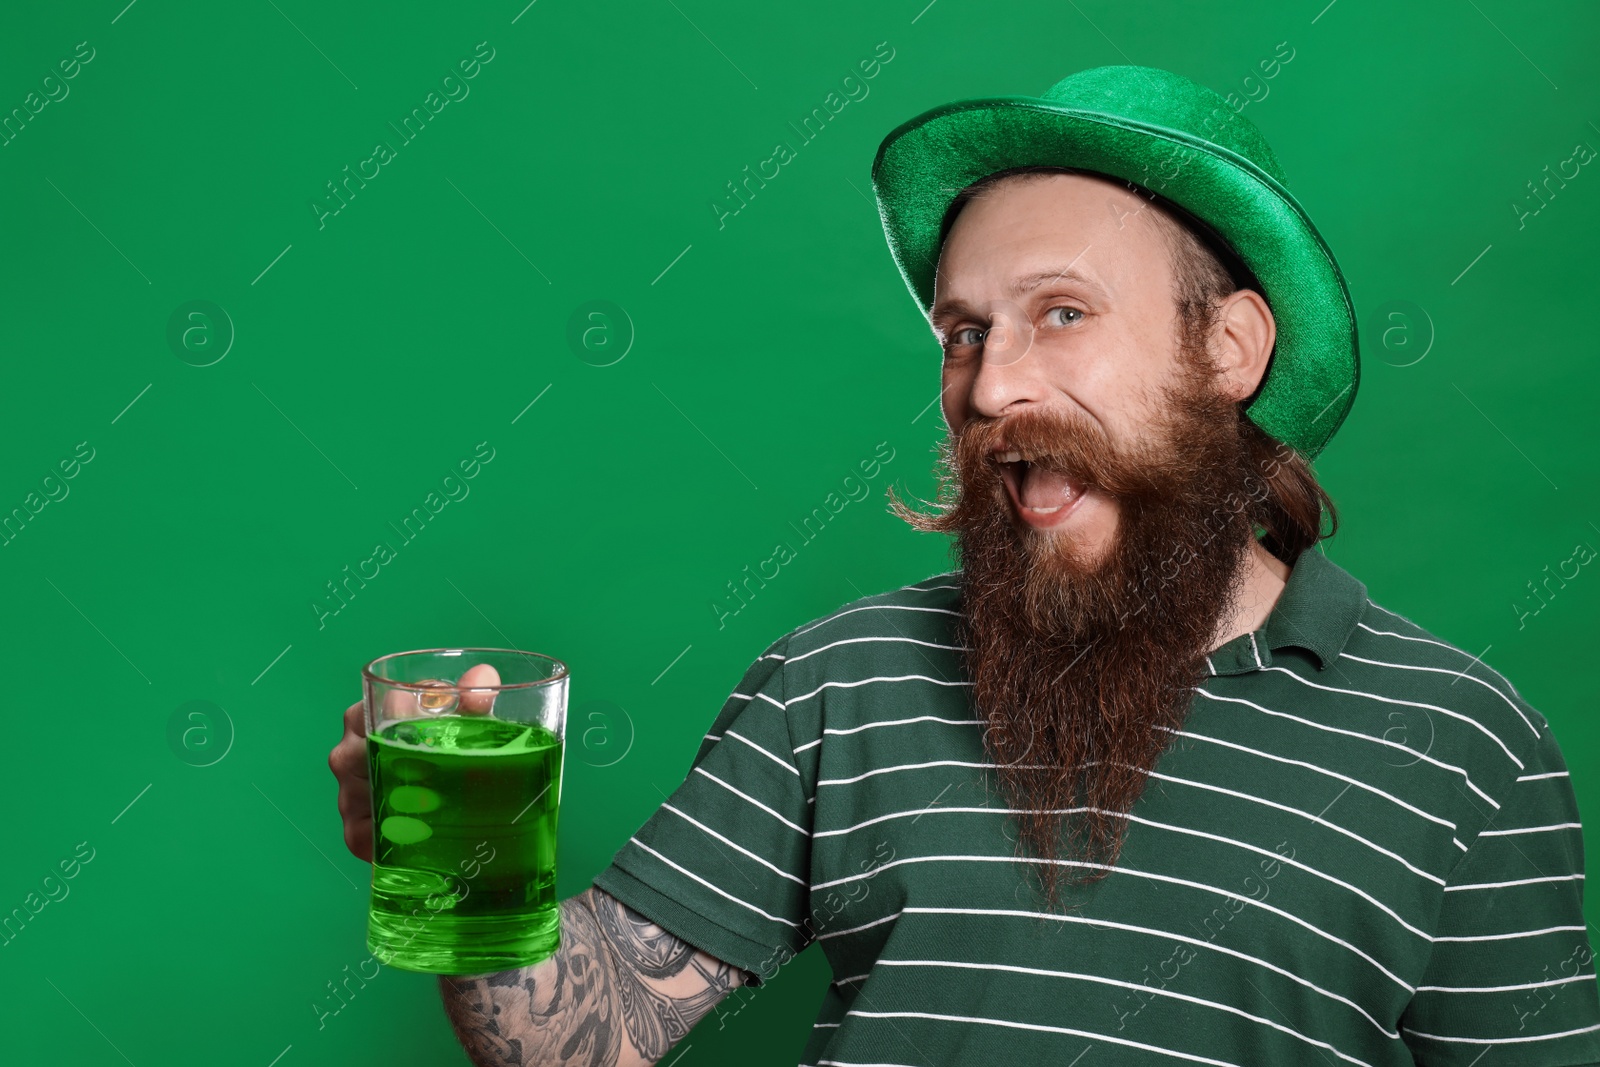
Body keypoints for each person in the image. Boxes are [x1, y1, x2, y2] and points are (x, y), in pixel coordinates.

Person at [328, 65, 1600, 1066]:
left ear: (1229, 348)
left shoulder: (1465, 747)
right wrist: (457, 872)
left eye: (1061, 311)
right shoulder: (841, 680)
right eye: (963, 332)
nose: (989, 386)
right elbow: (588, 1034)